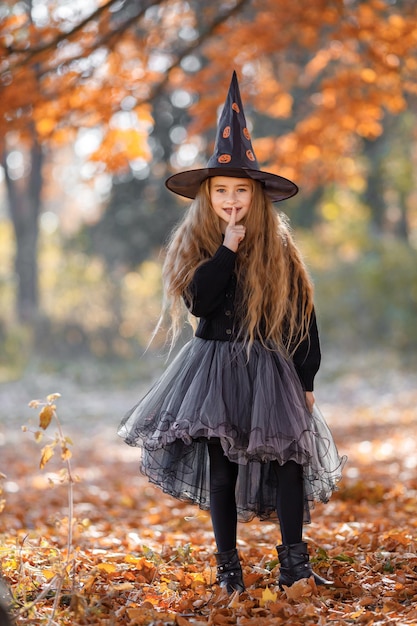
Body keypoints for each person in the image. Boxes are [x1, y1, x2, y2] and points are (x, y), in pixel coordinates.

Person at [118, 71, 346, 594]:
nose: (232, 200)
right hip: (213, 367)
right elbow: (200, 301)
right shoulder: (199, 241)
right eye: (222, 191)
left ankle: (293, 564)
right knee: (221, 466)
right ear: (208, 196)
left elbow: (301, 315)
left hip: (271, 368)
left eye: (241, 191)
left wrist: (306, 379)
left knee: (288, 459)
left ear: (256, 195)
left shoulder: (280, 247)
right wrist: (227, 248)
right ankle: (228, 567)